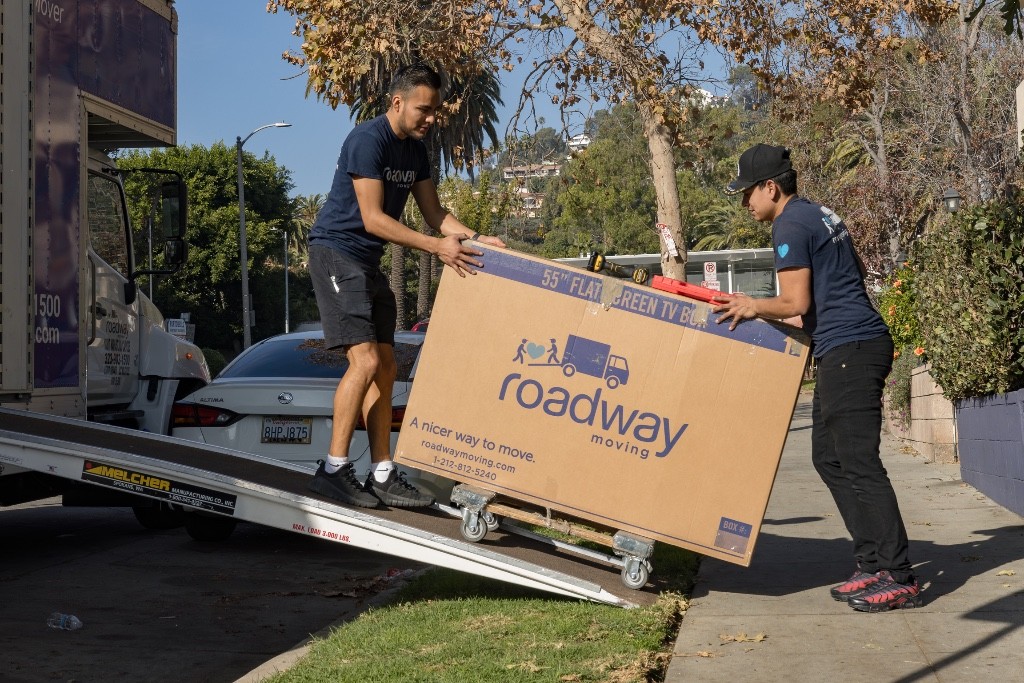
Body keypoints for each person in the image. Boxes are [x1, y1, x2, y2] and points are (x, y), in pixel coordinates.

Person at [713, 143, 922, 613]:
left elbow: (795, 302)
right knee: (828, 458)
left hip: (851, 348)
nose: (744, 202)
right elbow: (850, 275)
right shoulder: (818, 214)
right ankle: (872, 563)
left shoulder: (789, 223)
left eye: (747, 192)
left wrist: (751, 305)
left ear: (770, 187)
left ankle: (900, 576)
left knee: (859, 463)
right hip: (849, 345)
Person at [306, 64, 506, 509]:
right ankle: (333, 469)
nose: (431, 118)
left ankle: (382, 473)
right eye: (423, 109)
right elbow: (373, 219)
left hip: (366, 262)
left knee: (386, 366)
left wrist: (476, 239)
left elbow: (435, 214)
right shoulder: (367, 140)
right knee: (365, 361)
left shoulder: (415, 152)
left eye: (435, 111)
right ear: (397, 102)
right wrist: (437, 247)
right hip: (336, 253)